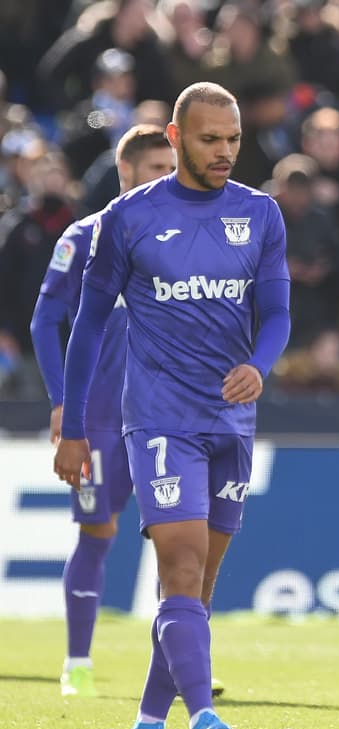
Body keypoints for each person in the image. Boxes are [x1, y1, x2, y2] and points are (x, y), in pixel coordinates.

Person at [53, 82, 291, 729]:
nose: (224, 152)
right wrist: (72, 425)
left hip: (233, 420)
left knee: (198, 587)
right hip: (158, 417)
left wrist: (262, 362)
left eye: (234, 139)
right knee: (180, 566)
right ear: (177, 137)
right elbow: (89, 324)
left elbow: (275, 311)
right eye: (211, 139)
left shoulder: (261, 214)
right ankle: (205, 715)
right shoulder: (127, 220)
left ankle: (147, 726)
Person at [30, 124, 175, 698]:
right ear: (127, 172)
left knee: (179, 538)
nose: (168, 179)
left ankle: (179, 665)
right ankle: (77, 663)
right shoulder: (85, 238)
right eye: (157, 169)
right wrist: (63, 403)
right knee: (97, 531)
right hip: (100, 424)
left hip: (167, 417)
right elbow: (45, 322)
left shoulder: (185, 239)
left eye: (173, 169)